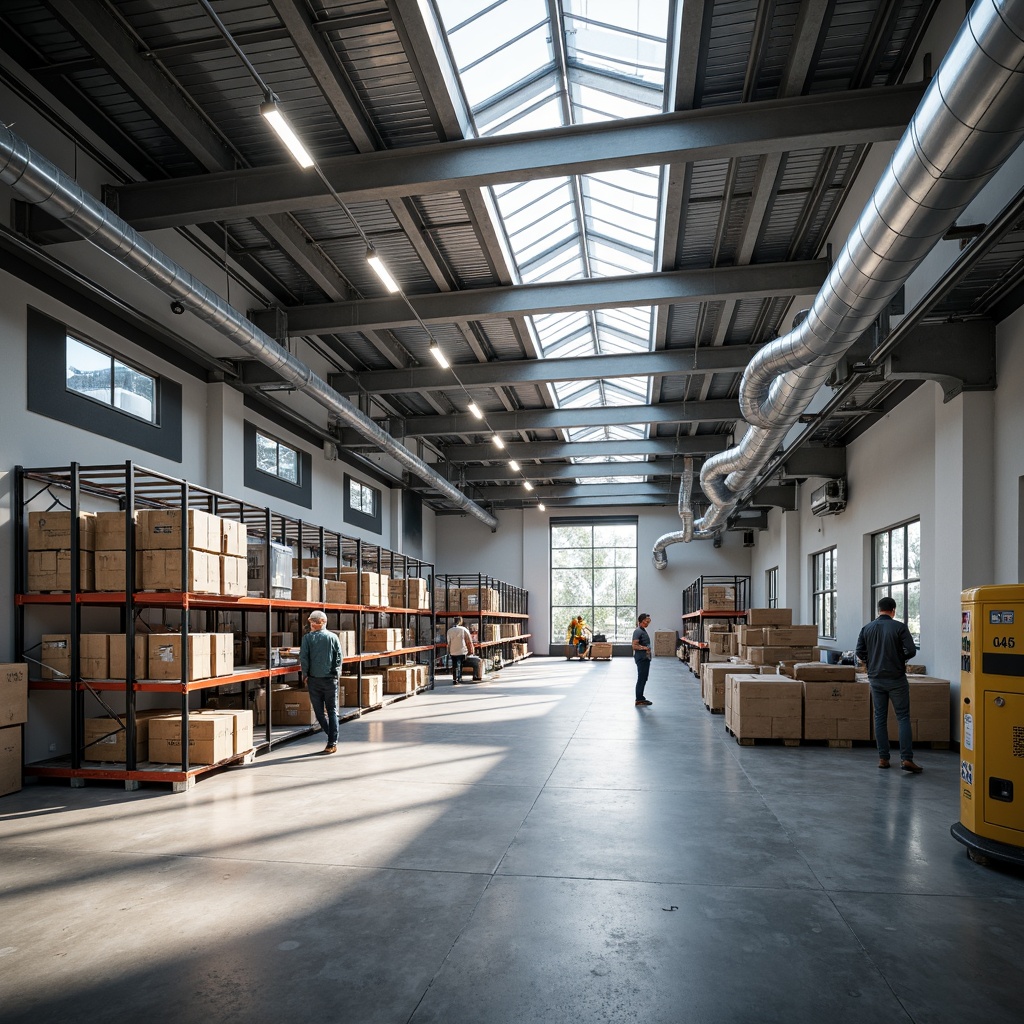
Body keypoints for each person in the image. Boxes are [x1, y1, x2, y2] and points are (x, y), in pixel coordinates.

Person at [856, 596, 922, 773]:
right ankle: (906, 759)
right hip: (896, 679)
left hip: (875, 679)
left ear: (879, 610)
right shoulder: (899, 627)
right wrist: (899, 659)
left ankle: (883, 758)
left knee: (880, 718)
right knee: (903, 717)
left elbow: (859, 652)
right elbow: (911, 650)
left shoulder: (867, 628)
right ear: (893, 610)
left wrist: (871, 662)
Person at [300, 610, 342, 754]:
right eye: (311, 621)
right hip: (330, 680)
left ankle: (331, 739)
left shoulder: (307, 639)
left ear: (320, 622)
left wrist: (305, 675)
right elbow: (339, 657)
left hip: (314, 680)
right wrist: (337, 672)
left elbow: (304, 658)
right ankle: (332, 740)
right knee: (332, 711)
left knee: (319, 713)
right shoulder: (333, 637)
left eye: (313, 622)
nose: (311, 624)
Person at [632, 612, 653, 706]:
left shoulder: (643, 630)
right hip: (641, 658)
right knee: (641, 678)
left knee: (644, 678)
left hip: (645, 658)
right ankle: (639, 698)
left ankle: (641, 697)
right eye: (646, 620)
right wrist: (645, 648)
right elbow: (634, 646)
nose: (648, 622)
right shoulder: (638, 631)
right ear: (641, 621)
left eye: (649, 621)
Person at [446, 615, 474, 684]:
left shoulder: (449, 631)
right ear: (460, 621)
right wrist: (471, 650)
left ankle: (454, 678)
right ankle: (459, 677)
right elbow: (469, 640)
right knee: (460, 664)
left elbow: (448, 642)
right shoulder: (463, 629)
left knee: (454, 664)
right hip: (462, 650)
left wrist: (448, 650)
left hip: (453, 650)